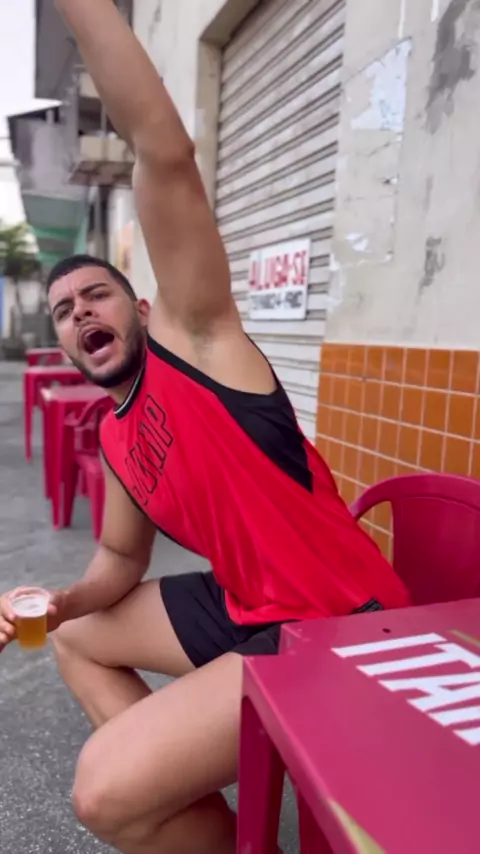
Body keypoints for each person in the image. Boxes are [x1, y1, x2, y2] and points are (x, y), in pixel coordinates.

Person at [0, 1, 411, 852]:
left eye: (97, 295)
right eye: (65, 312)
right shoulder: (117, 434)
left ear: (144, 309)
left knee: (103, 791)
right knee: (73, 640)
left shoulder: (199, 343)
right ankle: (208, 824)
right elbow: (120, 560)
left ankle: (159, 781)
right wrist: (62, 601)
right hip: (248, 608)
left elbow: (163, 150)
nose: (81, 314)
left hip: (337, 622)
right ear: (65, 345)